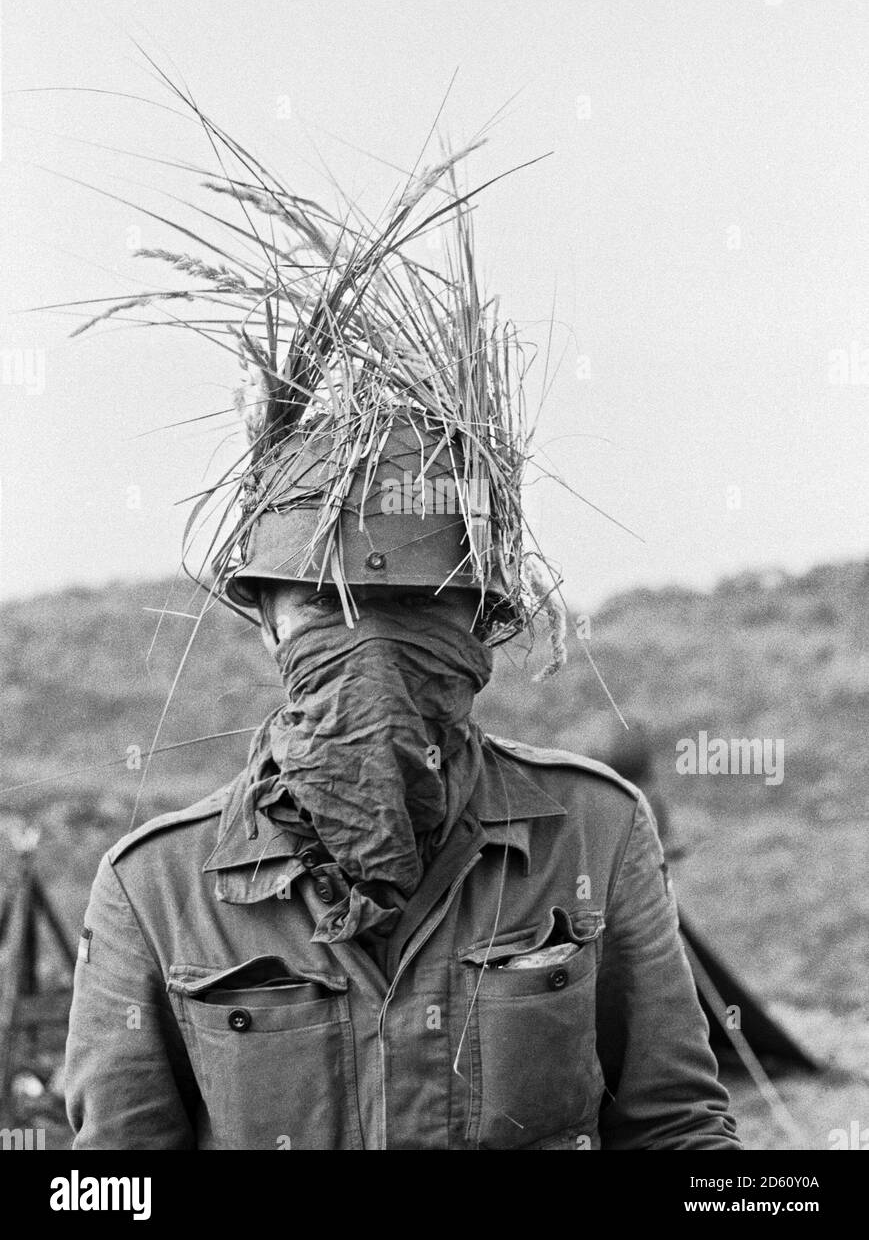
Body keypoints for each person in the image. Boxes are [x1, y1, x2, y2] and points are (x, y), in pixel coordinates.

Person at [64, 131, 740, 1149]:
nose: (371, 654)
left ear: (479, 631)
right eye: (329, 612)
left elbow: (677, 1132)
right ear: (266, 626)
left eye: (416, 612)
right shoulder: (154, 887)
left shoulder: (589, 835)